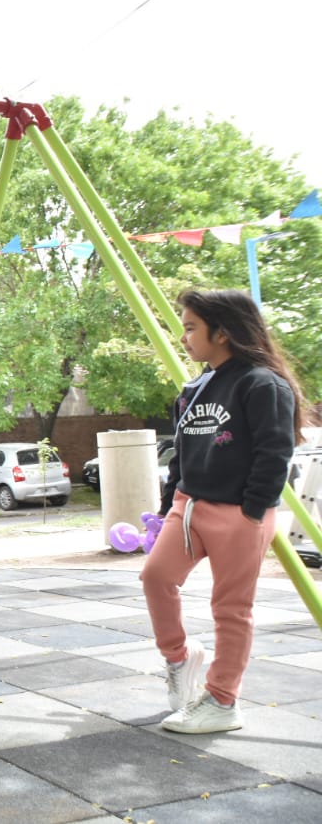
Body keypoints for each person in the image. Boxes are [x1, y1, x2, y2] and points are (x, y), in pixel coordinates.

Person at [141, 289, 306, 734]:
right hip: (188, 506)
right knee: (156, 577)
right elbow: (182, 452)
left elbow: (275, 451)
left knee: (230, 609)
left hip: (238, 512)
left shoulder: (261, 383)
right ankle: (180, 657)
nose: (183, 336)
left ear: (223, 331)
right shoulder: (195, 387)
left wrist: (252, 512)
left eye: (191, 326)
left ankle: (222, 699)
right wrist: (167, 505)